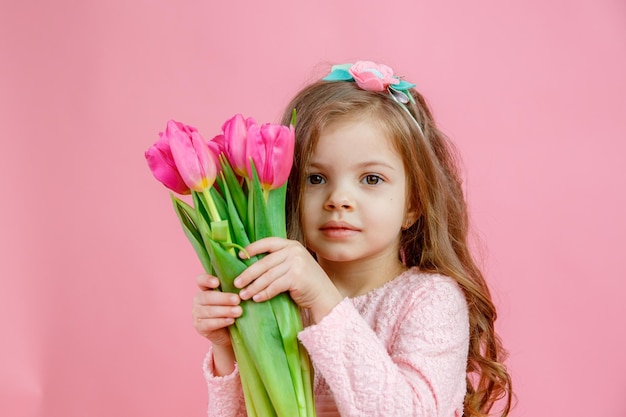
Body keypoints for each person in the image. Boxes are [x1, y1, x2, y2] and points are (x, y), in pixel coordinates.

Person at [192, 61, 513, 417]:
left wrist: (323, 297)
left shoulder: (429, 300)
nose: (338, 199)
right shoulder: (282, 303)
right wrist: (229, 348)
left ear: (414, 204)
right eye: (316, 179)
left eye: (371, 179)